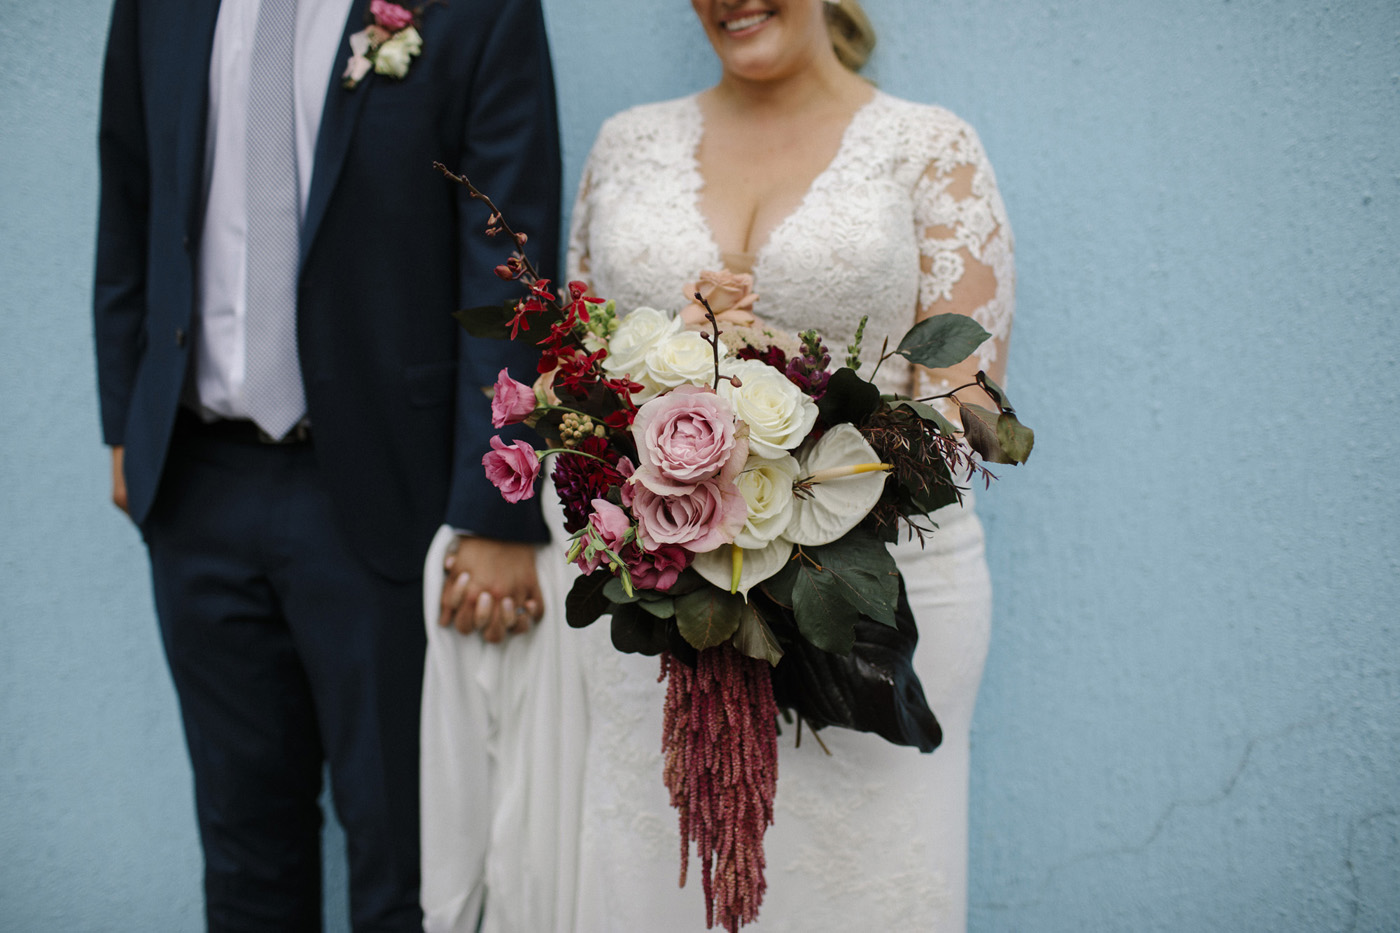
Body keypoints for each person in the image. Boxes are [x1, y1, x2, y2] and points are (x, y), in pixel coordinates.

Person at [421, 0, 1014, 929]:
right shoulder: (628, 145)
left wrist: (781, 399)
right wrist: (655, 418)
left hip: (877, 597)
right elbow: (581, 367)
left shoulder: (931, 148)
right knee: (658, 876)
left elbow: (967, 413)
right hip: (657, 600)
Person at [92, 0, 559, 928]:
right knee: (243, 855)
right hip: (196, 482)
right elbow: (129, 190)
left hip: (389, 490)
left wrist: (497, 503)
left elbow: (508, 247)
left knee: (404, 860)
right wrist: (125, 421)